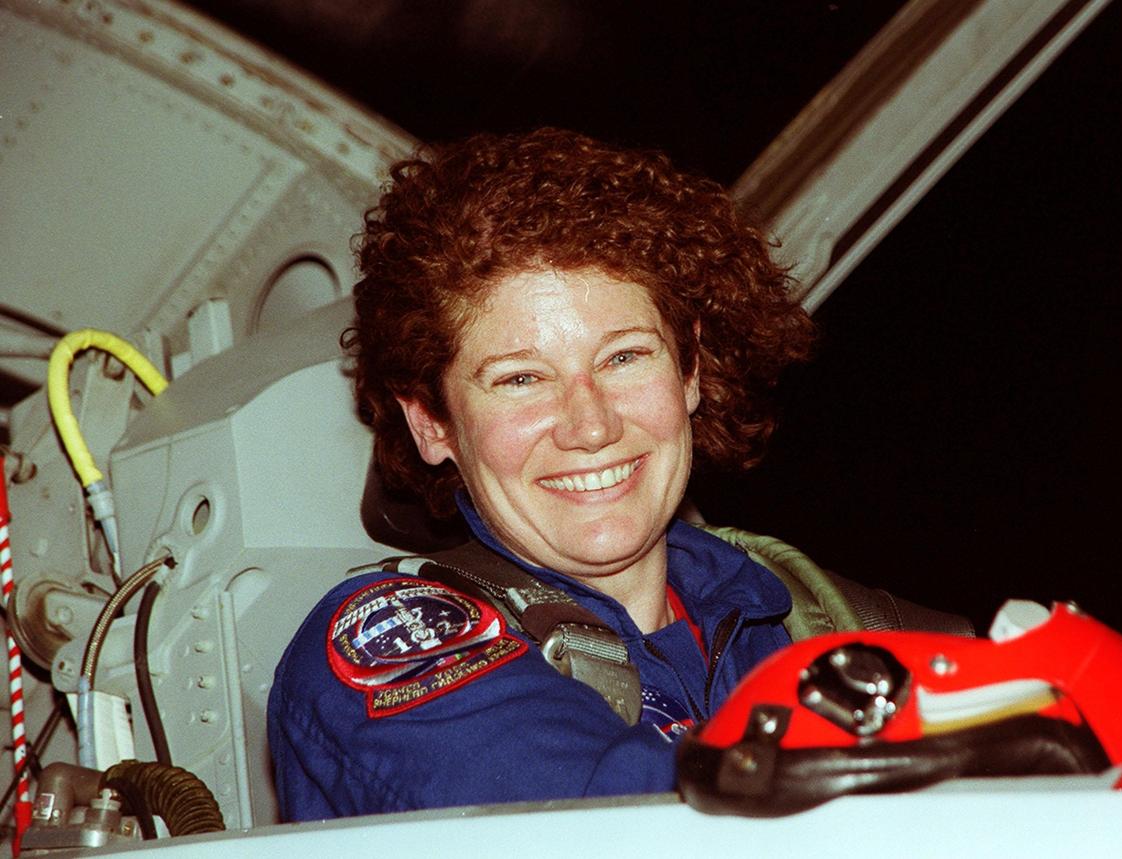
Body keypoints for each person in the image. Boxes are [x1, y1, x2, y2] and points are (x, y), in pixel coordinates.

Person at [268, 128, 960, 821]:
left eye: (624, 358)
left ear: (688, 370)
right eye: (520, 378)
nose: (590, 425)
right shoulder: (390, 640)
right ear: (431, 422)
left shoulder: (795, 610)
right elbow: (601, 824)